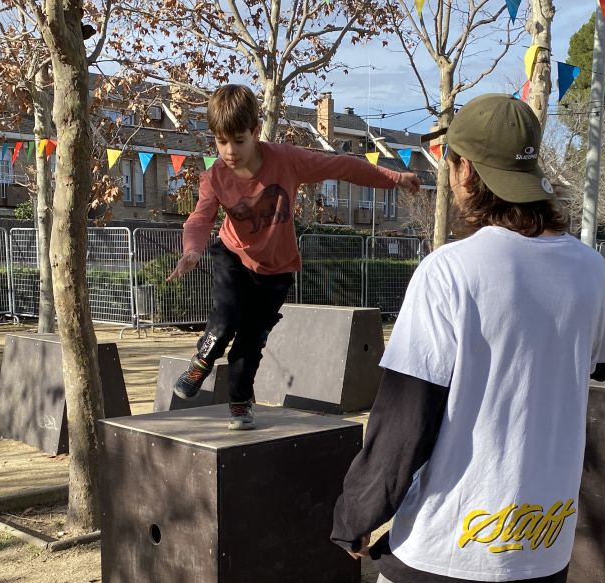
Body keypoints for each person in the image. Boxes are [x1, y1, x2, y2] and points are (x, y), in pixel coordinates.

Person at [330, 93, 605, 583]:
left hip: (445, 555)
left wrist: (357, 514)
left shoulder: (449, 271)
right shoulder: (592, 270)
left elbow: (404, 417)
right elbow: (603, 364)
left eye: (451, 160)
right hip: (541, 552)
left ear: (466, 170)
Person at [167, 84, 421, 430]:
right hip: (233, 256)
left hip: (277, 269)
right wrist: (192, 250)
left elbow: (341, 166)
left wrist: (395, 178)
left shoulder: (286, 160)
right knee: (225, 319)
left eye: (239, 141)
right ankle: (202, 361)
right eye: (221, 141)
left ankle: (239, 401)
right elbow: (200, 218)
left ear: (256, 131)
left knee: (251, 342)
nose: (229, 152)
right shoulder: (215, 178)